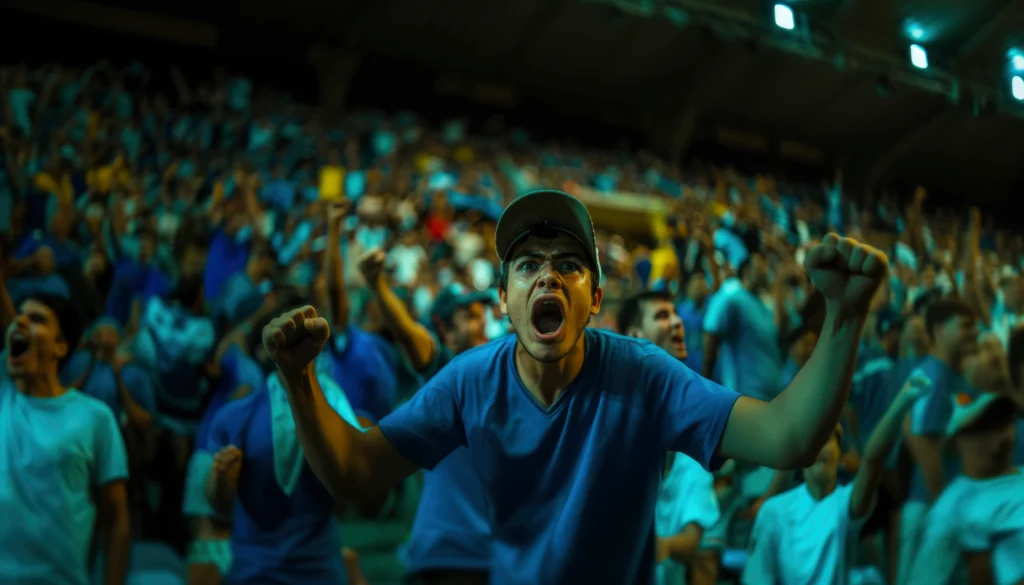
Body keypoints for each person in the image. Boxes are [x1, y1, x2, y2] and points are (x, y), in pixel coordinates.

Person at [264, 189, 888, 585]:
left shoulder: (643, 374)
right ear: (505, 300)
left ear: (594, 299)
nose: (548, 277)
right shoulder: (469, 380)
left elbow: (788, 436)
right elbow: (354, 472)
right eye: (528, 265)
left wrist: (845, 317)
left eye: (568, 264)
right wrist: (298, 379)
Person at [359, 247, 493, 585]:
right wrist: (378, 284)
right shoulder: (445, 371)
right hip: (447, 554)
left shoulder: (497, 375)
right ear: (443, 329)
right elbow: (408, 334)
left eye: (482, 314)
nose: (482, 324)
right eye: (469, 316)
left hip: (494, 554)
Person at [743, 374, 930, 585]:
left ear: (840, 455)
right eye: (812, 438)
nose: (819, 446)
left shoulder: (844, 504)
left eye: (827, 438)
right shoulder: (773, 511)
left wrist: (902, 401)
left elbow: (872, 460)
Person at [0, 294, 131, 585]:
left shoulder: (95, 417)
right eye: (18, 316)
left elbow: (117, 519)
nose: (20, 321)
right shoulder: (4, 395)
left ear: (61, 346)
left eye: (37, 319)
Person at [617, 291, 719, 585]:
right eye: (662, 316)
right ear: (635, 334)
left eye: (675, 313)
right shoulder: (611, 420)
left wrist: (662, 546)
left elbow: (693, 539)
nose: (677, 322)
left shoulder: (692, 442)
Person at [898, 299, 979, 584]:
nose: (974, 332)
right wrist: (940, 506)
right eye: (965, 326)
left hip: (946, 508)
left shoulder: (955, 377)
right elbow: (921, 438)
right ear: (941, 329)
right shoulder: (931, 374)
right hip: (929, 508)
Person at [907, 391, 1024, 585]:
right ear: (957, 440)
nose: (1001, 434)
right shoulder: (950, 511)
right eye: (987, 427)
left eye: (1005, 422)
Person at [702, 252, 783, 401]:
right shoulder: (734, 299)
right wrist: (704, 385)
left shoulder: (762, 303)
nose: (765, 270)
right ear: (746, 271)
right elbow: (712, 333)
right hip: (744, 398)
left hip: (769, 399)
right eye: (760, 266)